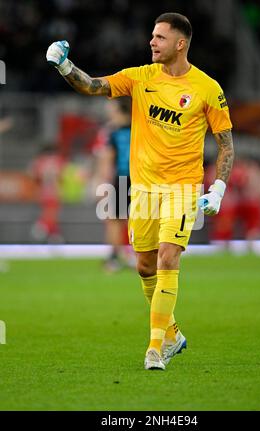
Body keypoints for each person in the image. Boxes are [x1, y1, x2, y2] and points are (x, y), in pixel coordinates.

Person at [46, 12, 234, 370]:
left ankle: (154, 348)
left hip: (182, 187)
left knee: (167, 257)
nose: (152, 42)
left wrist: (219, 189)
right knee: (145, 265)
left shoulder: (208, 88)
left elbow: (226, 144)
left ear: (180, 44)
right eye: (152, 35)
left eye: (160, 37)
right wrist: (65, 66)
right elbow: (93, 85)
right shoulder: (138, 78)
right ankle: (173, 333)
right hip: (144, 190)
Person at [100, 98, 132, 272]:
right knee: (140, 219)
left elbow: (108, 159)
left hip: (121, 178)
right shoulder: (140, 128)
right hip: (140, 179)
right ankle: (137, 256)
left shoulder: (113, 132)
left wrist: (103, 184)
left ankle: (114, 258)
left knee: (114, 220)